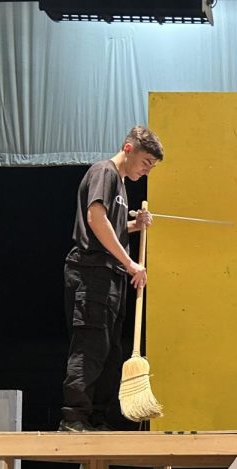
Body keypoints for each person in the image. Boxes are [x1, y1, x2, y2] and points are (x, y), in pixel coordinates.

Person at [59, 125, 164, 433]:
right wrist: (131, 263)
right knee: (90, 345)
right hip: (92, 273)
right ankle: (74, 417)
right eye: (146, 163)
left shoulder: (119, 184)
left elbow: (111, 228)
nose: (146, 171)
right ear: (128, 149)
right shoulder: (104, 172)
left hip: (110, 277)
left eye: (151, 168)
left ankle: (95, 418)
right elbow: (95, 219)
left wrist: (133, 225)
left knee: (109, 350)